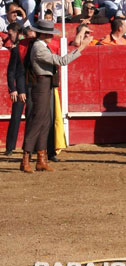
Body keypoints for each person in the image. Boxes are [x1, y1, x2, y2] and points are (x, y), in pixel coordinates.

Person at [21, 20, 91, 173]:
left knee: (45, 121)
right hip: (40, 85)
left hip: (45, 84)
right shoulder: (39, 48)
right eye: (50, 34)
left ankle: (41, 159)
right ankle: (25, 158)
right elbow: (61, 61)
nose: (52, 37)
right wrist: (82, 47)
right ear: (44, 34)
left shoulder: (41, 46)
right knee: (38, 121)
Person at [5, 22, 27, 156]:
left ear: (17, 32)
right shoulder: (16, 49)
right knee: (16, 117)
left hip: (30, 87)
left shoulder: (26, 47)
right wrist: (13, 89)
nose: (9, 37)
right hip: (19, 89)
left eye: (10, 34)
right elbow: (11, 72)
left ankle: (31, 147)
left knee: (32, 118)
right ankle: (9, 147)